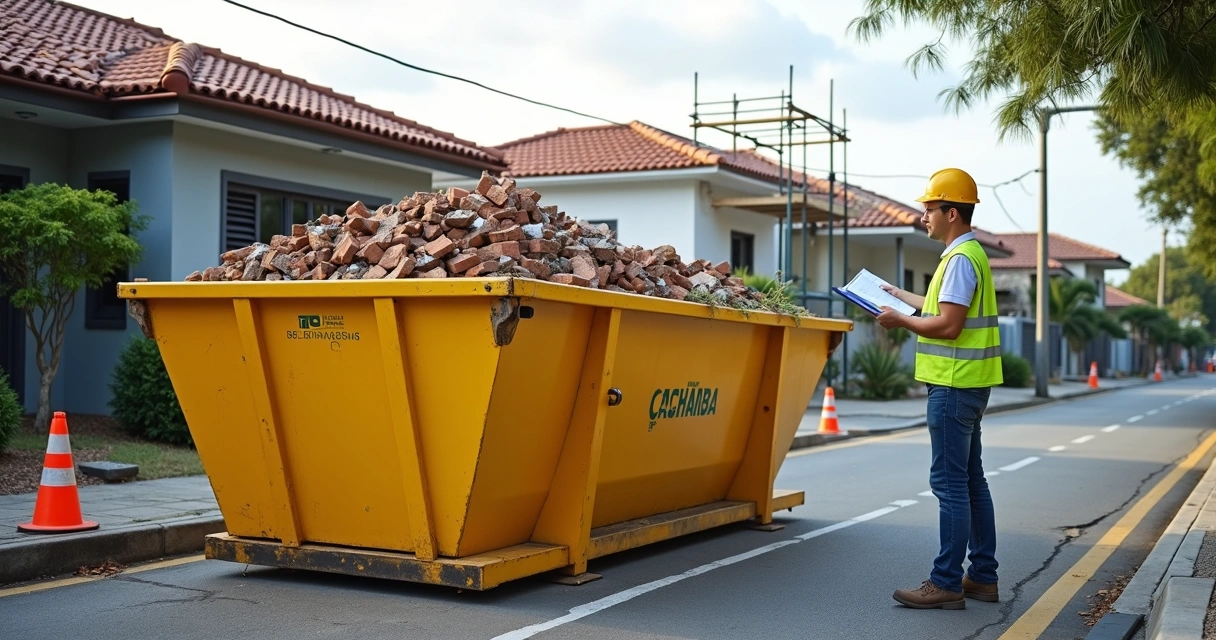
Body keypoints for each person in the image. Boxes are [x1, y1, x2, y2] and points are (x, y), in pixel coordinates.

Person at [875, 167, 1003, 610]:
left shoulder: (959, 260)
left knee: (949, 485)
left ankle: (945, 581)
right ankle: (982, 577)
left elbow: (947, 326)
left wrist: (899, 321)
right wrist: (899, 296)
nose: (923, 217)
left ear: (951, 212)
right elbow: (939, 307)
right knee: (971, 482)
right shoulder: (968, 256)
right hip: (968, 386)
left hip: (951, 387)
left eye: (929, 209)